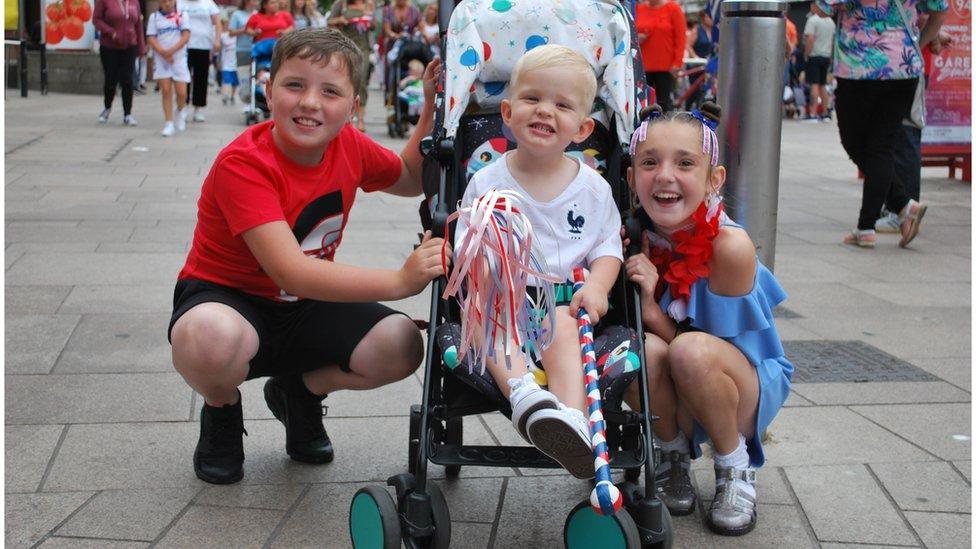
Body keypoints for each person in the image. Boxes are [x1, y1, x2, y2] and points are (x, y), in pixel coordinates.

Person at [168, 27, 446, 485]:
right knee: (207, 338)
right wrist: (400, 280)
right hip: (231, 301)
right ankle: (221, 407)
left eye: (330, 91)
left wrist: (432, 106)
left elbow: (410, 177)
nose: (310, 102)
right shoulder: (244, 163)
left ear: (354, 107)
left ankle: (298, 393)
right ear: (268, 89)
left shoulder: (349, 146)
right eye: (294, 85)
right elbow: (291, 272)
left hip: (303, 306)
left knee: (401, 346)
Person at [622, 102, 793, 536]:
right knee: (631, 351)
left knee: (689, 351)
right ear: (630, 177)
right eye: (649, 162)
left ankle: (734, 463)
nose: (664, 175)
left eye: (684, 163)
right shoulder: (633, 236)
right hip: (677, 384)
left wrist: (653, 313)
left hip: (737, 385)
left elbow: (714, 351)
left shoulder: (729, 246)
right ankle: (672, 453)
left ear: (713, 179)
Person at [453, 45, 623, 479]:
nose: (544, 111)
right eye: (532, 99)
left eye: (562, 104)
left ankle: (569, 421)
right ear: (507, 112)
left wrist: (599, 287)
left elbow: (607, 248)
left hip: (563, 303)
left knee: (562, 330)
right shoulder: (486, 181)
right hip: (501, 298)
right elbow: (465, 247)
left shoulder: (594, 189)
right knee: (489, 316)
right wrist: (486, 267)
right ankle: (525, 393)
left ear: (583, 128)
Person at [812, 0, 945, 248]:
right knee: (881, 146)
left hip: (859, 68)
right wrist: (916, 45)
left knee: (854, 142)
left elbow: (821, 9)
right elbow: (940, 11)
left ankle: (900, 207)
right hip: (904, 68)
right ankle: (869, 225)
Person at [93, 0, 146, 125]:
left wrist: (141, 47)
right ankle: (107, 108)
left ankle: (127, 114)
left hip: (130, 45)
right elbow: (96, 20)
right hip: (109, 46)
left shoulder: (134, 2)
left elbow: (138, 25)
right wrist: (111, 32)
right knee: (111, 79)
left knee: (127, 80)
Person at [328, 0, 375, 132]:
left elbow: (374, 26)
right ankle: (342, 117)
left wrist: (368, 17)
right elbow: (329, 22)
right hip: (345, 47)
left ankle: (360, 119)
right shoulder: (341, 4)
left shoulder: (368, 4)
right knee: (342, 81)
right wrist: (340, 19)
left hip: (363, 48)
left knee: (362, 82)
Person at [146, 0, 191, 136]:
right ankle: (169, 123)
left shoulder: (182, 16)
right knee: (166, 90)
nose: (167, 3)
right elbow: (151, 37)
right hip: (162, 60)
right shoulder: (154, 17)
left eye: (170, 0)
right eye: (164, 0)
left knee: (182, 93)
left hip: (178, 59)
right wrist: (163, 52)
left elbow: (186, 36)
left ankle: (181, 110)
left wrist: (171, 51)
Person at [635, 0, 686, 112]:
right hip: (642, 67)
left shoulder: (673, 8)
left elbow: (681, 38)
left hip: (666, 68)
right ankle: (643, 128)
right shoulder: (638, 8)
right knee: (641, 104)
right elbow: (631, 33)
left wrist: (677, 62)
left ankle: (662, 128)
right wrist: (637, 38)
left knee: (664, 104)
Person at [179, 0, 222, 122]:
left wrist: (217, 40)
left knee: (201, 77)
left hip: (203, 45)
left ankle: (199, 108)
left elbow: (217, 23)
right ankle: (184, 107)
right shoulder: (180, 3)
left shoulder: (208, 3)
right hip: (184, 46)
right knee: (184, 78)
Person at [802, 3, 835, 120]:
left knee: (814, 84)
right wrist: (831, 57)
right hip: (826, 56)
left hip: (814, 55)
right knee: (823, 85)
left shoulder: (813, 20)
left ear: (814, 7)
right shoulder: (831, 22)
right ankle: (825, 113)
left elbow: (810, 38)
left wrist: (806, 54)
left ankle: (812, 114)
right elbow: (832, 41)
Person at [229, 0, 258, 101]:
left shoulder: (257, 14)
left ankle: (256, 101)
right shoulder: (237, 14)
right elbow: (231, 32)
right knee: (244, 78)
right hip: (242, 49)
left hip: (257, 49)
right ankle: (246, 101)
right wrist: (244, 30)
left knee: (256, 77)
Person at [219, 14, 239, 105]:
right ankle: (225, 96)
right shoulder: (222, 36)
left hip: (236, 63)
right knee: (226, 81)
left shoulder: (237, 37)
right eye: (225, 24)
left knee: (235, 82)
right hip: (226, 63)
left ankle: (232, 96)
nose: (227, 26)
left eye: (228, 24)